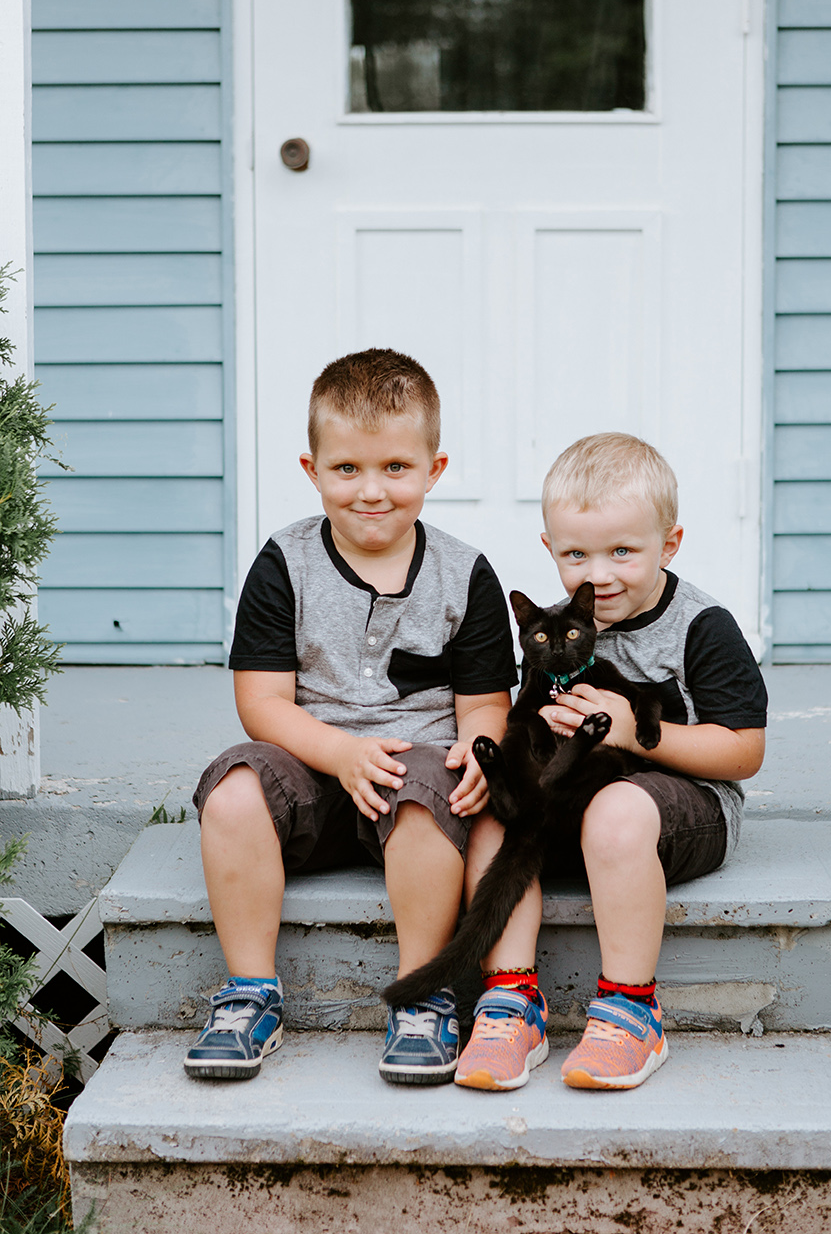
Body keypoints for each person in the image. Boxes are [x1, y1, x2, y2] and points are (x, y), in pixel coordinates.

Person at [184, 349, 516, 1085]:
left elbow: (486, 702)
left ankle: (422, 994)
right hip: (312, 765)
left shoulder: (466, 573)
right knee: (235, 789)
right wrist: (337, 755)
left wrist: (482, 749)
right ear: (311, 469)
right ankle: (249, 993)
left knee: (429, 795)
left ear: (435, 468)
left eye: (396, 468)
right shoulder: (284, 562)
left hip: (415, 772)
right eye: (347, 470)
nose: (372, 492)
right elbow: (261, 702)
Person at [454, 432, 767, 1092]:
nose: (598, 572)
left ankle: (630, 1009)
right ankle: (510, 1002)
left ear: (669, 544)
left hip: (675, 812)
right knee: (489, 818)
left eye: (623, 551)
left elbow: (742, 752)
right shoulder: (557, 627)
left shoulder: (700, 626)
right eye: (576, 553)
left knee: (617, 811)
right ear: (550, 550)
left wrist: (630, 733)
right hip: (573, 801)